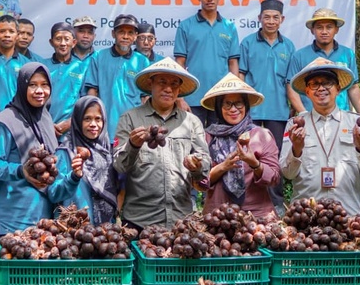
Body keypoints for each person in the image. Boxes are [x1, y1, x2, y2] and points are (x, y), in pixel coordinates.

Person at [0, 63, 78, 236]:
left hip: (43, 223)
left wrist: (74, 176)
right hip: (11, 225)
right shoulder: (4, 122)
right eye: (32, 85)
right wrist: (20, 170)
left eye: (44, 85)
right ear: (22, 86)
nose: (39, 91)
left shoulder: (45, 118)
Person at [114, 58, 211, 229]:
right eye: (162, 82)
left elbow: (205, 163)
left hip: (180, 220)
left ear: (179, 89)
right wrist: (133, 145)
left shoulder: (191, 121)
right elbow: (119, 166)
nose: (168, 89)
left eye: (174, 84)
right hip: (140, 220)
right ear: (150, 83)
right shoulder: (130, 118)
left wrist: (197, 165)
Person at [279, 58, 360, 216]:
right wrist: (296, 150)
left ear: (338, 89)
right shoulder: (296, 125)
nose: (321, 88)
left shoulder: (356, 123)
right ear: (307, 91)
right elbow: (287, 173)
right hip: (306, 216)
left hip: (348, 214)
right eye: (314, 84)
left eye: (327, 83)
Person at [239, 0, 296, 211]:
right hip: (252, 110)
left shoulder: (288, 46)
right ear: (259, 19)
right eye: (266, 17)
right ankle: (249, 198)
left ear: (282, 19)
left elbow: (290, 81)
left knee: (276, 156)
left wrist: (293, 106)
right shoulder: (247, 43)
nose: (270, 21)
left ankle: (276, 202)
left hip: (278, 111)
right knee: (249, 153)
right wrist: (243, 105)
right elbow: (241, 76)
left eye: (275, 17)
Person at [198, 74, 281, 219]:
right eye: (227, 104)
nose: (233, 109)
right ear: (219, 107)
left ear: (246, 106)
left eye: (238, 103)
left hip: (256, 216)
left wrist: (254, 163)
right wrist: (224, 166)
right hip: (217, 217)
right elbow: (200, 182)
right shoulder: (207, 137)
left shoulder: (261, 134)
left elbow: (274, 178)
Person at [173, 0, 240, 126]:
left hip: (220, 97)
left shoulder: (229, 27)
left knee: (219, 145)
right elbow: (179, 64)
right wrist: (180, 98)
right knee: (190, 143)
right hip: (192, 97)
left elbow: (233, 63)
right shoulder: (186, 26)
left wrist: (234, 94)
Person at [51, 96, 120, 224]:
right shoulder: (65, 152)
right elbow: (54, 193)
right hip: (73, 232)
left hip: (104, 234)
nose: (93, 124)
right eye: (87, 119)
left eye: (98, 119)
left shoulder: (107, 152)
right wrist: (73, 177)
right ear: (77, 121)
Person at [286, 8, 360, 116]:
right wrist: (303, 113)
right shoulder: (299, 56)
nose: (324, 32)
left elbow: (353, 87)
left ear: (336, 29)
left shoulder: (347, 54)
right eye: (319, 27)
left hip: (341, 117)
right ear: (312, 30)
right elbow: (291, 87)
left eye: (329, 27)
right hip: (310, 117)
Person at [84, 14, 150, 140]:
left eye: (130, 33)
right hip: (104, 127)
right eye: (121, 32)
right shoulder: (98, 57)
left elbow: (145, 97)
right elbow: (92, 92)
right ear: (113, 34)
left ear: (135, 36)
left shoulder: (142, 61)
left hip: (133, 127)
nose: (125, 36)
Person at [47, 22, 89, 139]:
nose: (63, 43)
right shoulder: (42, 66)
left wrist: (69, 123)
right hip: (44, 129)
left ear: (74, 42)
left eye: (67, 39)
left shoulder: (83, 68)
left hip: (72, 131)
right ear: (51, 42)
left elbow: (85, 101)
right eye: (58, 39)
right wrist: (46, 124)